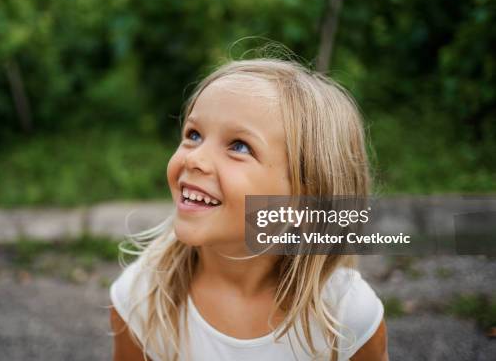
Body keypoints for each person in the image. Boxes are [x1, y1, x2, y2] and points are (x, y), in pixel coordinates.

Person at [109, 58, 388, 361]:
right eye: (193, 135)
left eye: (239, 146)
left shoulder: (348, 316)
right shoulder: (141, 297)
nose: (193, 159)